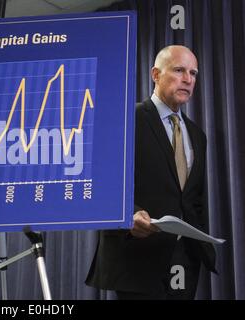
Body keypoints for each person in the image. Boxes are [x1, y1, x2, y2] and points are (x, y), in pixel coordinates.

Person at [86, 45, 216, 300]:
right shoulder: (126, 119)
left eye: (193, 73)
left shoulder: (197, 135)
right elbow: (102, 184)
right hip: (137, 259)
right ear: (155, 74)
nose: (188, 79)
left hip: (185, 261)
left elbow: (193, 199)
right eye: (179, 70)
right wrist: (129, 215)